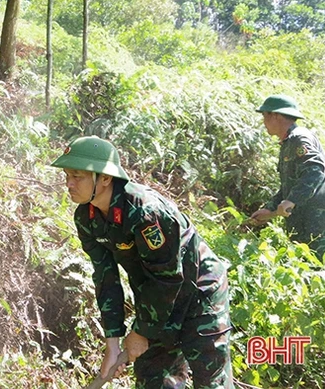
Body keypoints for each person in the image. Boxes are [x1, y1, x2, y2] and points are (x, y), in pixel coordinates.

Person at [51, 136, 232, 388]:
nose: (69, 183)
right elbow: (106, 277)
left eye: (77, 176)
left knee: (210, 379)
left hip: (199, 294)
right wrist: (112, 342)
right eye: (67, 176)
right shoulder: (86, 217)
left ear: (105, 178)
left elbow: (167, 276)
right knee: (155, 379)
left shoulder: (145, 212)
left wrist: (142, 331)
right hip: (155, 300)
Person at [250, 95, 325, 258]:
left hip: (318, 229)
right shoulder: (288, 144)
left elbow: (316, 169)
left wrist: (292, 200)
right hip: (301, 229)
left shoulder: (300, 138)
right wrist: (269, 209)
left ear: (275, 115)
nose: (263, 122)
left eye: (264, 116)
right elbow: (289, 186)